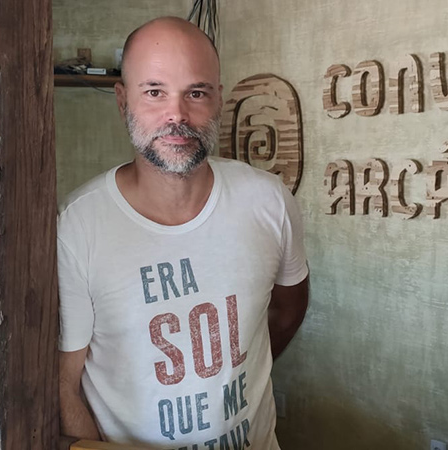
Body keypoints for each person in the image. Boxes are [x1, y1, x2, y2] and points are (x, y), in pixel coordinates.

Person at [57, 16, 309, 449]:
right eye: (154, 92)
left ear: (219, 100)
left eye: (196, 93)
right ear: (122, 102)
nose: (177, 114)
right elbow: (63, 385)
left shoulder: (269, 201)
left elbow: (287, 312)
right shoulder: (79, 227)